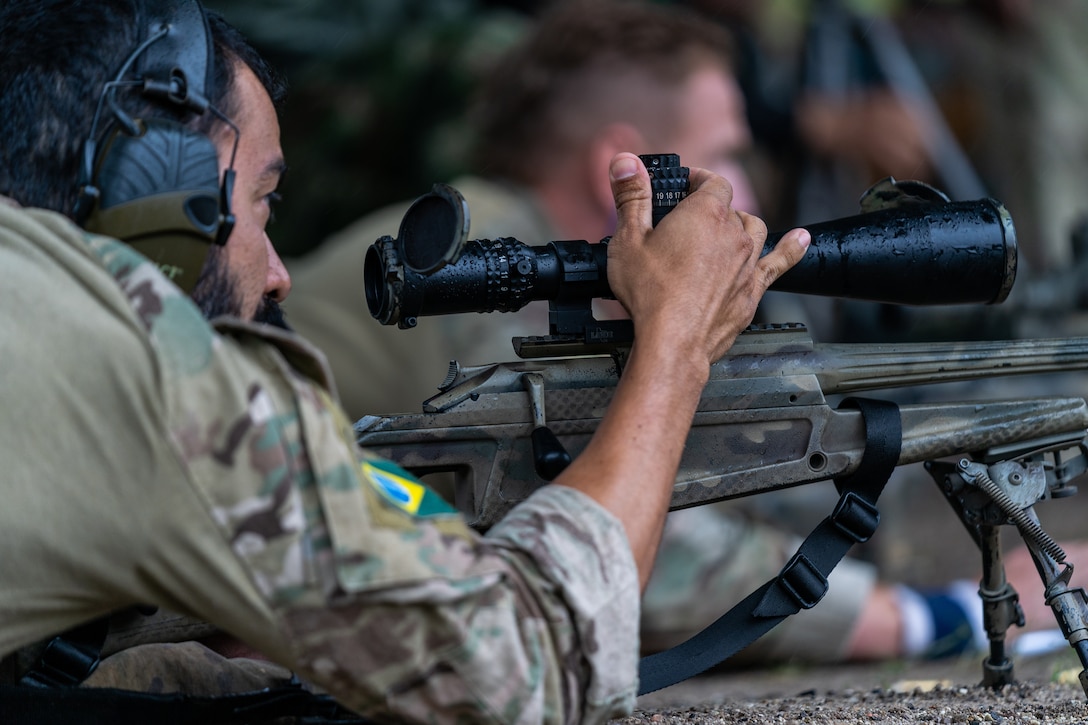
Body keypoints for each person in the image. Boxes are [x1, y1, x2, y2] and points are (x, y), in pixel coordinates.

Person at [0, 0, 809, 722]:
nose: (279, 271)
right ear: (155, 194)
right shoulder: (151, 368)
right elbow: (520, 667)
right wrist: (676, 345)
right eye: (261, 202)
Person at [285, 0, 1076, 667]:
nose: (754, 188)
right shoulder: (489, 268)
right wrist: (936, 618)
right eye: (729, 151)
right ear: (633, 171)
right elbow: (609, 535)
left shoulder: (531, 259)